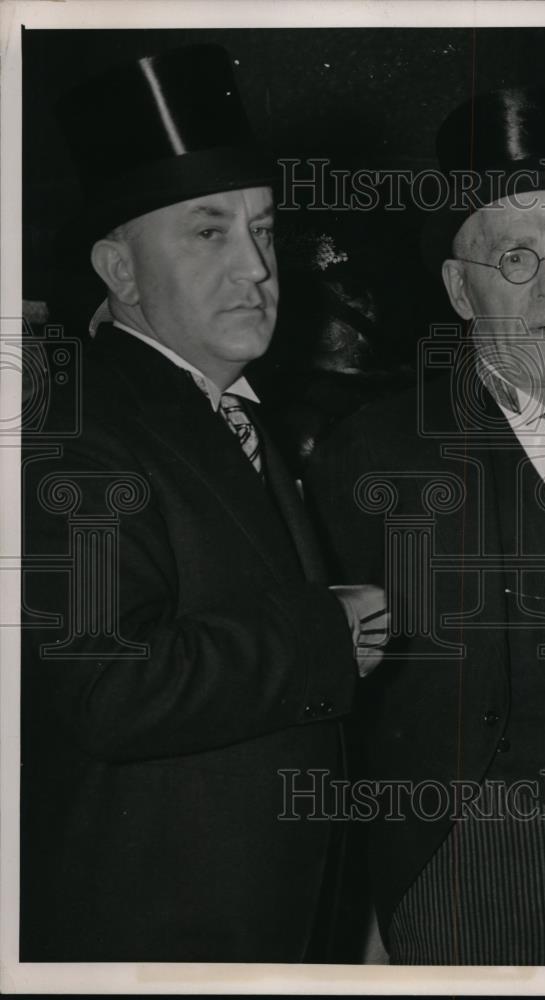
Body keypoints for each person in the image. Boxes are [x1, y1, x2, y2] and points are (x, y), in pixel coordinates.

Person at [307, 88, 545, 965]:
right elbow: (340, 693)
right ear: (458, 286)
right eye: (517, 259)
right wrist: (364, 898)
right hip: (463, 856)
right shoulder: (376, 453)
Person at [20, 44, 387, 962]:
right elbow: (108, 685)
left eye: (264, 231)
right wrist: (321, 635)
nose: (258, 268)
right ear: (120, 269)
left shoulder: (233, 411)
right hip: (155, 933)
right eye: (209, 232)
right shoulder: (78, 424)